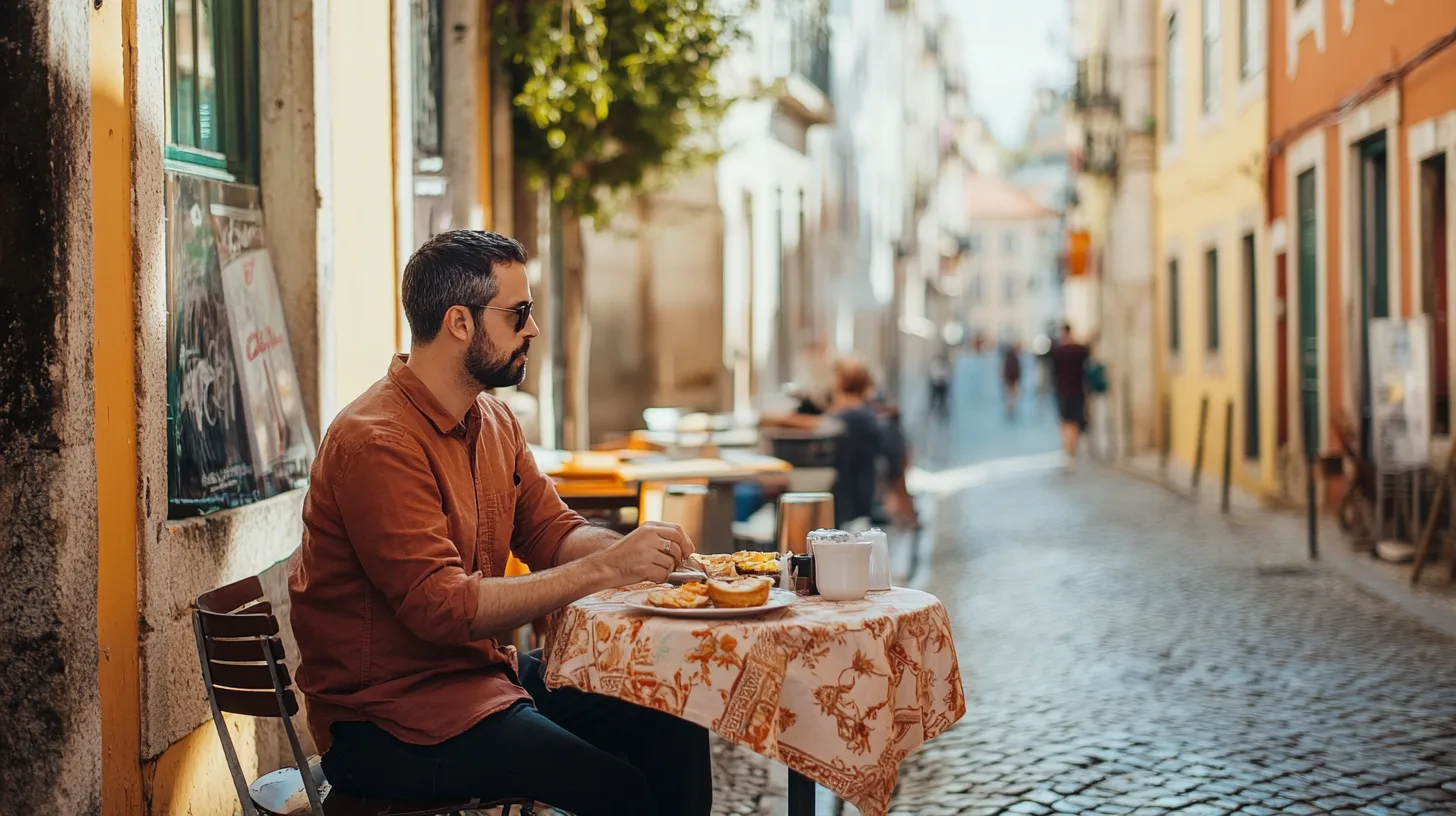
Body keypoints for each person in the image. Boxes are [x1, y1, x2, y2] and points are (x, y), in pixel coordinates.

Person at [289, 230, 711, 816]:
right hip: (387, 721)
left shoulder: (492, 418)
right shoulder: (376, 441)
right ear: (459, 322)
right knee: (617, 790)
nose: (532, 329)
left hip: (482, 681)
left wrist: (642, 553)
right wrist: (607, 568)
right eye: (519, 314)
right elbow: (441, 608)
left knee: (673, 712)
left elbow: (551, 532)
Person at [763, 358, 884, 527]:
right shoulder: (861, 413)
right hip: (853, 498)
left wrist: (777, 418)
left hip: (848, 502)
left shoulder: (855, 416)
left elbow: (822, 425)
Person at [1048, 322, 1092, 470]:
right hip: (1077, 390)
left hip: (1062, 391)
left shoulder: (1058, 351)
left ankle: (1069, 454)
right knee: (1075, 423)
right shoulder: (1079, 350)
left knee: (1066, 423)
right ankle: (1073, 452)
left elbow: (1053, 373)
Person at [928, 350, 951, 420]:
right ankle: (933, 412)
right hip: (935, 385)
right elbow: (933, 374)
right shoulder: (934, 364)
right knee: (934, 400)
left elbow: (947, 374)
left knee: (942, 400)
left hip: (943, 385)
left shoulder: (946, 365)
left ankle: (942, 413)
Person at [1001, 344, 1023, 419]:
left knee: (1012, 398)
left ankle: (1011, 410)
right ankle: (1011, 410)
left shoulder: (1010, 360)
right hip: (1012, 380)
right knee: (1012, 398)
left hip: (1011, 380)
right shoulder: (1012, 360)